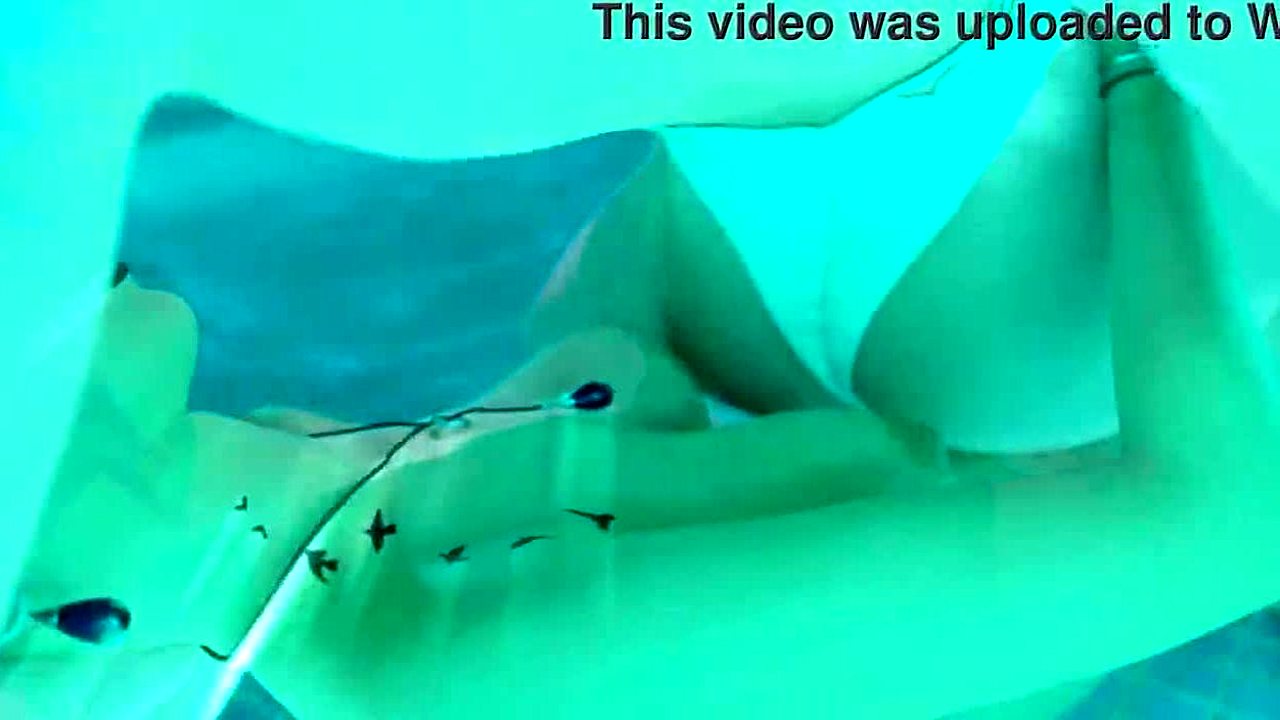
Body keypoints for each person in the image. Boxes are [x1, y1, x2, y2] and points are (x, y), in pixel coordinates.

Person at [7, 35, 1280, 720]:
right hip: (1047, 356)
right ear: (60, 623)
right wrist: (1152, 64)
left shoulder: (315, 528)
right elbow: (1229, 524)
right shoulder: (431, 657)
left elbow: (620, 367)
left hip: (896, 291)